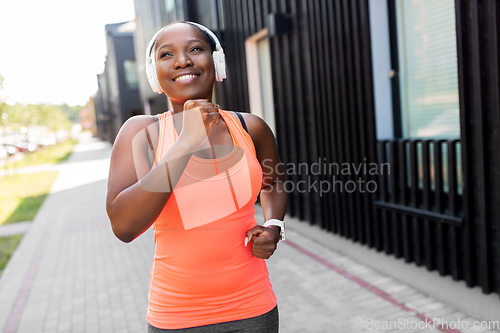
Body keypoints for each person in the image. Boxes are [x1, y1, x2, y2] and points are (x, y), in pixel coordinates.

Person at [106, 21, 287, 332]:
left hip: (254, 308)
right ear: (154, 74)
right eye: (167, 54)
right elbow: (124, 227)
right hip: (177, 317)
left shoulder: (250, 127)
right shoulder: (143, 132)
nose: (182, 61)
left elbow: (273, 182)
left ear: (216, 62)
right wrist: (186, 142)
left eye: (195, 49)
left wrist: (274, 225)